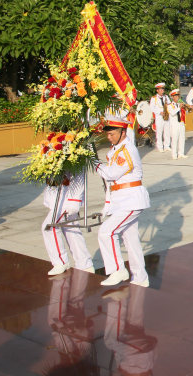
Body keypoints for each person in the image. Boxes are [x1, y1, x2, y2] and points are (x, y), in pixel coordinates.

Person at [97, 112, 150, 287]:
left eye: (112, 133)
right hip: (122, 199)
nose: (109, 136)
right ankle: (140, 277)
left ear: (123, 132)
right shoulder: (116, 150)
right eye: (107, 133)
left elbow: (111, 174)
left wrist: (94, 163)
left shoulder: (126, 150)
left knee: (107, 232)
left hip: (131, 199)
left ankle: (117, 270)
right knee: (131, 239)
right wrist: (107, 204)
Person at [41, 171, 94, 275]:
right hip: (59, 196)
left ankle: (61, 262)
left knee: (48, 227)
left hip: (67, 199)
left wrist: (74, 201)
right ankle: (85, 264)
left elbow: (78, 174)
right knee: (71, 229)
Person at [165, 89, 188, 159]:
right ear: (172, 97)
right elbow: (172, 113)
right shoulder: (169, 105)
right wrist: (179, 108)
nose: (177, 97)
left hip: (181, 124)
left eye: (178, 96)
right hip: (174, 125)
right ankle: (174, 154)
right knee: (174, 140)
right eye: (175, 96)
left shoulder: (180, 104)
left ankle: (181, 153)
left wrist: (185, 108)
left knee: (182, 139)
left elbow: (185, 114)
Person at [149, 83, 171, 153]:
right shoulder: (154, 98)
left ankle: (167, 146)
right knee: (159, 132)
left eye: (163, 89)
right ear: (157, 90)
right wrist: (159, 112)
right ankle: (160, 146)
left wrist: (168, 106)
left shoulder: (166, 97)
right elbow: (151, 108)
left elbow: (169, 104)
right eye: (161, 89)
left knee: (167, 131)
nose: (162, 91)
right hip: (159, 117)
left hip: (166, 116)